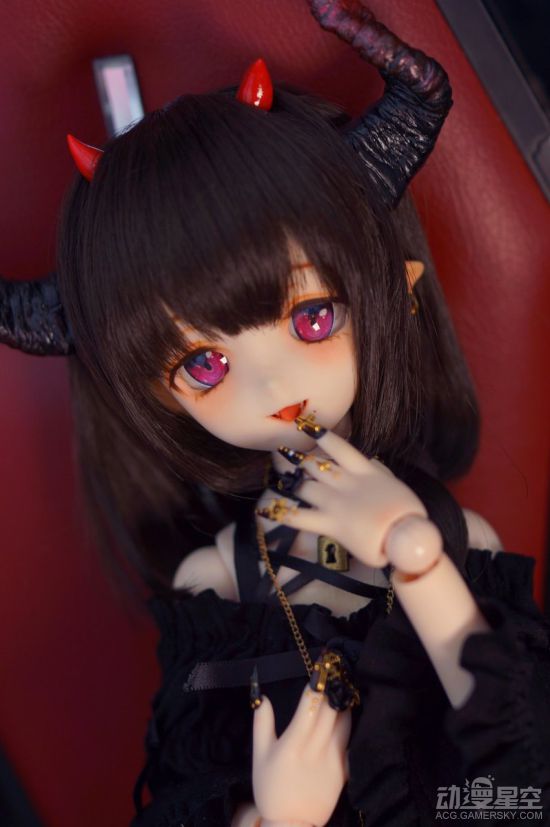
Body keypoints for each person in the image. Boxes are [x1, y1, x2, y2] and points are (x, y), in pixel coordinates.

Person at [1, 1, 549, 825]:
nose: (271, 387)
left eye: (313, 318)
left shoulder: (457, 541)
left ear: (393, 291)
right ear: (155, 395)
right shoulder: (216, 584)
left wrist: (417, 558)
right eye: (205, 365)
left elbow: (525, 791)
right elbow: (182, 797)